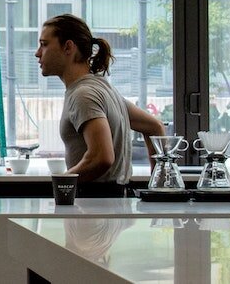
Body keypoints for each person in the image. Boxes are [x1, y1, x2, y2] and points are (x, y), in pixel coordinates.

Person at [36, 14, 166, 196]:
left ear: (68, 47)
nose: (37, 53)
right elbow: (154, 127)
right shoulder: (103, 89)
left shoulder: (83, 95)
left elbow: (101, 157)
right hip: (115, 201)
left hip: (94, 203)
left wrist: (62, 183)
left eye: (44, 44)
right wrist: (159, 186)